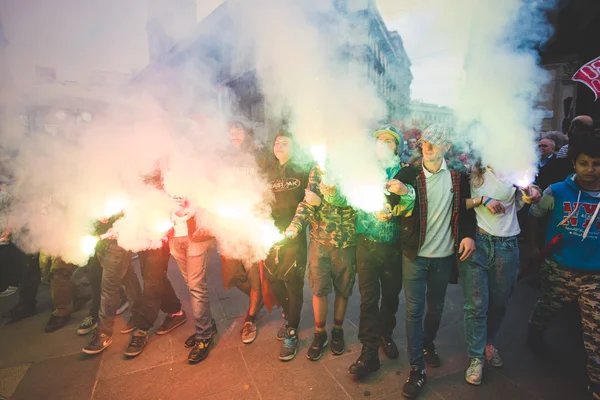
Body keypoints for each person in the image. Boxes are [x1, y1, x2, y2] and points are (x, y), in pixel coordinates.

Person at [394, 124, 477, 399]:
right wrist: (392, 193)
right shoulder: (409, 173)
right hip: (414, 256)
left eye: (434, 143)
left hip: (443, 257)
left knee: (436, 307)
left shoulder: (457, 176)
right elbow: (390, 197)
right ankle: (416, 369)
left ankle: (428, 343)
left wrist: (467, 236)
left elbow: (464, 210)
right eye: (424, 142)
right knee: (413, 311)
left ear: (446, 147)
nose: (427, 147)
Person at [527, 133, 600, 399]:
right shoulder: (556, 191)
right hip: (559, 269)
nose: (590, 169)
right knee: (548, 307)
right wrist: (533, 246)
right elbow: (535, 215)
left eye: (597, 163)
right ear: (574, 163)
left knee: (596, 330)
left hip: (596, 275)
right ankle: (535, 328)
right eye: (584, 163)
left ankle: (596, 380)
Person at [459, 162, 541, 385]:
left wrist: (532, 193)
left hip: (507, 245)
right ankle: (476, 358)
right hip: (477, 243)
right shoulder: (470, 171)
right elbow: (456, 204)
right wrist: (482, 200)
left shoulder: (515, 169)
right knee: (475, 305)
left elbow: (531, 192)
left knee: (499, 302)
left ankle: (489, 343)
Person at [348, 125, 415, 377]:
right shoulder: (363, 169)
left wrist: (399, 202)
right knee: (367, 299)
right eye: (381, 140)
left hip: (393, 246)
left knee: (390, 296)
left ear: (397, 146)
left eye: (390, 141)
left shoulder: (405, 171)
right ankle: (369, 351)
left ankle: (386, 333)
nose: (385, 144)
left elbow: (412, 202)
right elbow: (348, 198)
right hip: (366, 243)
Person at [286, 148, 357, 362]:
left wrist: (327, 198)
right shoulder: (317, 170)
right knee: (318, 289)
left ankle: (337, 330)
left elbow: (353, 201)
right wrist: (295, 226)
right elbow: (308, 202)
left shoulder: (354, 168)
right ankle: (320, 334)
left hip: (347, 242)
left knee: (343, 290)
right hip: (320, 242)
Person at [261, 131, 310, 361]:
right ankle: (288, 312)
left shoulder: (301, 170)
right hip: (269, 234)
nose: (279, 146)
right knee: (272, 278)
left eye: (284, 143)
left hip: (294, 234)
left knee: (293, 282)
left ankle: (292, 329)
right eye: (276, 142)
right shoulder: (268, 171)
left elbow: (307, 203)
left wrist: (295, 227)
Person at [220, 117, 267, 344]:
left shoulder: (258, 154)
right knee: (232, 274)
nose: (234, 133)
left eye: (238, 129)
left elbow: (267, 183)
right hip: (231, 225)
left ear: (246, 132)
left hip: (253, 221)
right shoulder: (223, 157)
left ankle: (251, 317)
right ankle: (260, 299)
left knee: (254, 274)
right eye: (231, 130)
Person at [169, 197, 218, 364]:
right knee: (191, 285)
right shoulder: (160, 174)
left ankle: (204, 336)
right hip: (174, 236)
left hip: (197, 235)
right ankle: (208, 324)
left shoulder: (194, 170)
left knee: (196, 286)